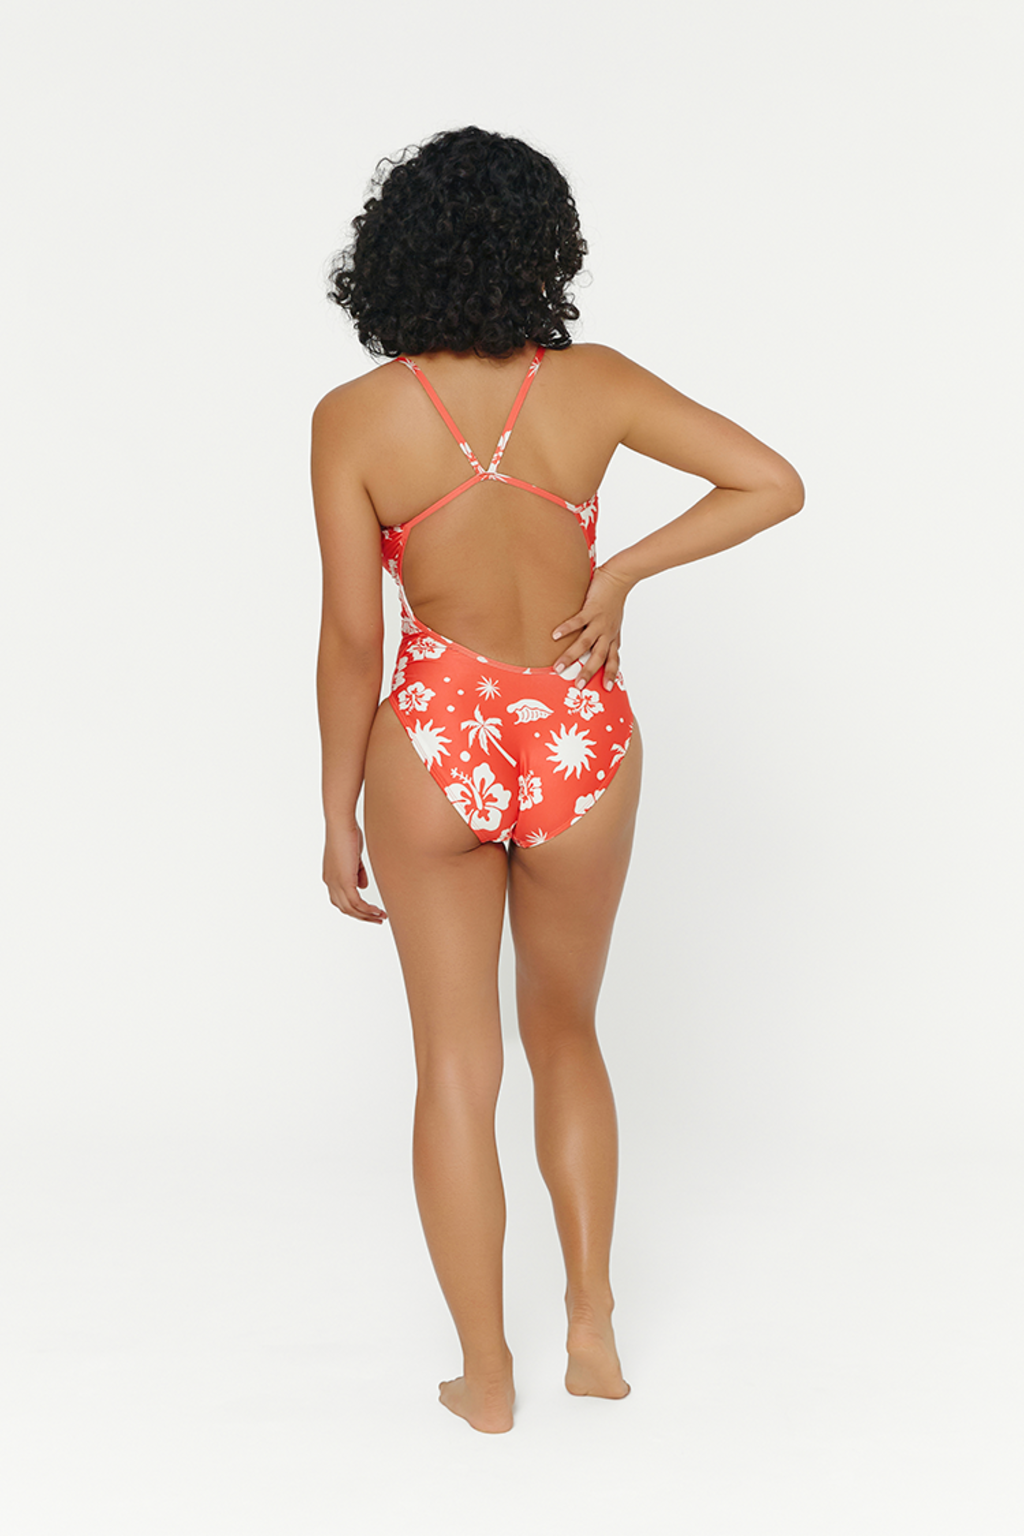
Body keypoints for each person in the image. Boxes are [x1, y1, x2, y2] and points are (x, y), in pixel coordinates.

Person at [311, 125, 803, 1434]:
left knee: (454, 1068)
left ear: (394, 253)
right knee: (569, 1033)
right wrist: (619, 571)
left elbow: (353, 637)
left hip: (433, 743)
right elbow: (771, 482)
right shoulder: (594, 385)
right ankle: (592, 1329)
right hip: (579, 731)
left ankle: (485, 1378)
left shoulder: (355, 419)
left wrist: (336, 808)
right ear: (543, 245)